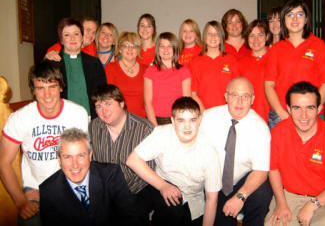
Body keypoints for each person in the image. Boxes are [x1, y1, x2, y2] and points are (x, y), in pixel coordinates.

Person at [0, 61, 89, 225]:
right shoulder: (20, 118)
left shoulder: (77, 113)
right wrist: (21, 202)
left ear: (61, 87)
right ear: (33, 90)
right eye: (40, 88)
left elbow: (83, 158)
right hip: (34, 188)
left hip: (70, 184)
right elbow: (3, 162)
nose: (47, 94)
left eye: (52, 87)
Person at [266, 82, 325, 226]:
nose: (303, 115)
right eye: (297, 108)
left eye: (310, 108)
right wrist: (281, 203)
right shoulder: (278, 132)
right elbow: (273, 170)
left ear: (319, 109)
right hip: (287, 196)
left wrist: (313, 204)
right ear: (288, 109)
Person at [126, 97, 221, 226]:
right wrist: (162, 186)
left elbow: (212, 199)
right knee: (132, 210)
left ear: (199, 120)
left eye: (192, 120)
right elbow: (132, 160)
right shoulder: (162, 133)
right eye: (181, 120)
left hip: (192, 200)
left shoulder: (210, 152)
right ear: (172, 121)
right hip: (159, 186)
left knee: (179, 213)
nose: (187, 126)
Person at [200, 77, 273, 226]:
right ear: (226, 97)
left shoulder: (260, 127)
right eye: (234, 95)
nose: (239, 102)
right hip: (210, 182)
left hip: (240, 182)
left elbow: (261, 170)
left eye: (245, 96)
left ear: (252, 99)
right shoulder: (208, 117)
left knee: (263, 192)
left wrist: (241, 196)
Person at [39, 128, 137, 226]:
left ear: (90, 156)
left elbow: (130, 217)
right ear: (59, 160)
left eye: (81, 156)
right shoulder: (48, 191)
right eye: (68, 157)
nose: (75, 165)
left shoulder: (111, 175)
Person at [89, 84, 155, 225]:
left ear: (122, 103)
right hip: (104, 193)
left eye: (108, 104)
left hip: (136, 191)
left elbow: (152, 170)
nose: (104, 111)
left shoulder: (144, 129)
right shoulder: (93, 127)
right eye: (99, 106)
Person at [265, 0, 325, 129]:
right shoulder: (276, 49)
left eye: (300, 14)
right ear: (284, 20)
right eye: (290, 15)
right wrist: (282, 113)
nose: (295, 19)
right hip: (281, 116)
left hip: (311, 116)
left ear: (306, 18)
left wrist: (313, 110)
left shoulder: (319, 45)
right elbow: (269, 85)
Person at [46, 17, 107, 119]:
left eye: (76, 34)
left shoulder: (94, 63)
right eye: (67, 35)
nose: (72, 38)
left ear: (82, 37)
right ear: (61, 39)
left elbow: (103, 95)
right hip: (61, 119)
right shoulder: (52, 63)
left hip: (90, 119)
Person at [191, 20, 240, 111]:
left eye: (216, 33)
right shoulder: (196, 61)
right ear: (204, 37)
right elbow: (193, 93)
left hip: (228, 112)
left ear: (221, 37)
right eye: (209, 33)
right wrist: (204, 113)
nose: (213, 37)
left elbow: (237, 90)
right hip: (204, 113)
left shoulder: (231, 60)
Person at [144, 32, 191, 126]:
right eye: (162, 46)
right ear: (158, 49)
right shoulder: (150, 71)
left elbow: (187, 103)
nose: (166, 49)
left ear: (175, 49)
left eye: (169, 46)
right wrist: (155, 127)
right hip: (155, 120)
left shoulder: (184, 71)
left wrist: (180, 124)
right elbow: (147, 102)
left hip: (178, 121)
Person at [105, 32, 147, 117]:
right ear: (120, 49)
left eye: (133, 46)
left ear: (138, 49)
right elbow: (108, 98)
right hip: (117, 119)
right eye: (126, 46)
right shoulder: (110, 68)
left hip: (142, 121)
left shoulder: (146, 70)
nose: (130, 49)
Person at [238, 20, 270, 122]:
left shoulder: (276, 57)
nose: (256, 39)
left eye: (260, 35)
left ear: (267, 36)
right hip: (248, 117)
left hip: (273, 116)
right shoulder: (241, 63)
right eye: (251, 36)